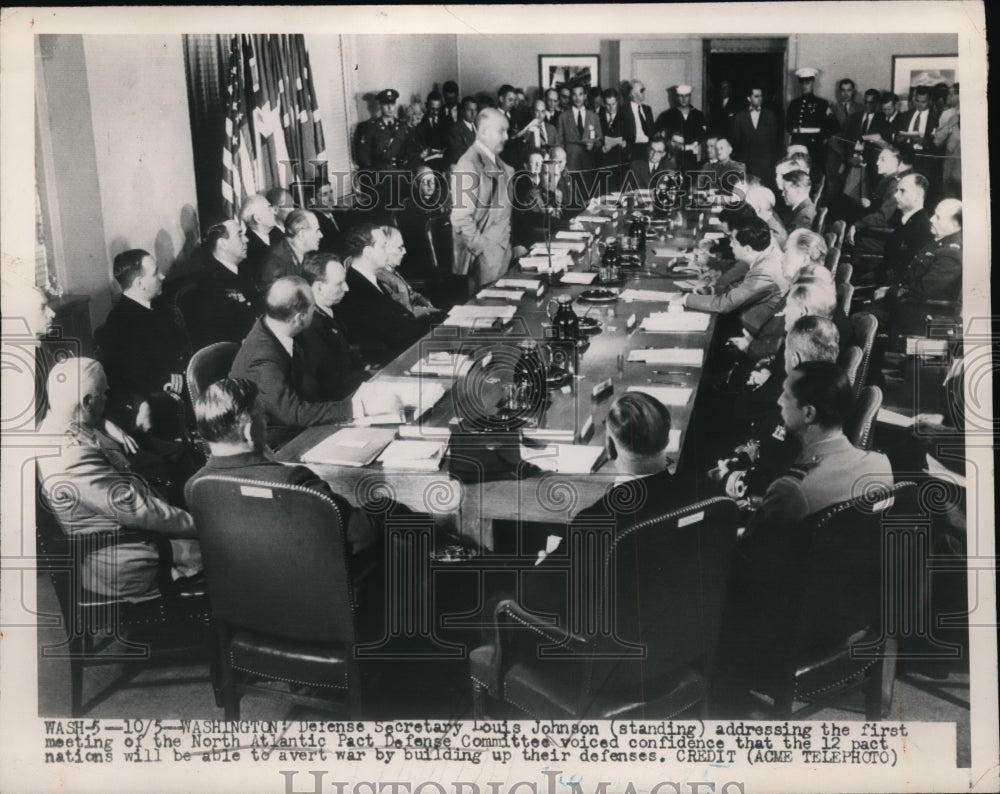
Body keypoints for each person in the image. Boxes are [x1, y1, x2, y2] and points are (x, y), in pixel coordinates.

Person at [37, 358, 202, 602]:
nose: (108, 398)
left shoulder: (54, 426)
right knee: (235, 553)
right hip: (126, 560)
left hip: (123, 540)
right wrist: (204, 526)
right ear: (88, 402)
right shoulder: (72, 458)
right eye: (104, 394)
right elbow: (139, 510)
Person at [518, 392, 683, 623]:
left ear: (610, 447)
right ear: (667, 439)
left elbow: (531, 598)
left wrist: (542, 569)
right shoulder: (689, 494)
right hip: (664, 626)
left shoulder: (596, 520)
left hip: (598, 639)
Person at [184, 378, 382, 565]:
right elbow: (364, 536)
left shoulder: (195, 486)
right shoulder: (293, 481)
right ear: (250, 431)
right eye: (263, 418)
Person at [228, 275, 400, 448]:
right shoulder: (263, 358)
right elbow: (295, 413)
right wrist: (359, 407)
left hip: (300, 423)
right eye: (313, 307)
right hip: (280, 440)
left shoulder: (279, 328)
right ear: (299, 318)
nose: (316, 311)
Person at [744, 360, 891, 535]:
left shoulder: (790, 491)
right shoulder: (881, 465)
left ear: (808, 413)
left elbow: (749, 555)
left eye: (786, 395)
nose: (779, 400)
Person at [98, 249, 189, 438]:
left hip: (184, 383)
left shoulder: (160, 306)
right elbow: (122, 379)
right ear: (140, 283)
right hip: (160, 402)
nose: (163, 276)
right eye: (156, 273)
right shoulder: (118, 323)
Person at [336, 224, 432, 364]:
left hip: (408, 350)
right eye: (383, 247)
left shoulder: (372, 279)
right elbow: (391, 333)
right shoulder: (355, 287)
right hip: (394, 361)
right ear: (368, 252)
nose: (387, 252)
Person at [678, 216, 788, 336]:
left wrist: (686, 299)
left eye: (734, 241)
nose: (730, 244)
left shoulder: (765, 271)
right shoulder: (767, 256)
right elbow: (742, 288)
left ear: (747, 249)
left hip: (749, 331)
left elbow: (725, 304)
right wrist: (712, 289)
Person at [450, 108, 515, 291]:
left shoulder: (497, 161)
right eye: (501, 131)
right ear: (485, 131)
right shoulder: (468, 164)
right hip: (484, 259)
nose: (506, 137)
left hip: (503, 253)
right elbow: (460, 219)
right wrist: (483, 249)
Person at [298, 251, 368, 401]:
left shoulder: (333, 311)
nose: (347, 288)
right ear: (318, 288)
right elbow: (329, 384)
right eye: (339, 284)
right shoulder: (310, 327)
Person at [183, 219, 259, 349]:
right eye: (239, 235)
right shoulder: (207, 284)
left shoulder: (245, 269)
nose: (246, 239)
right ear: (223, 244)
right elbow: (216, 337)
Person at [893, 198, 962, 335]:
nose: (931, 219)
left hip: (919, 315)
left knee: (861, 318)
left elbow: (925, 291)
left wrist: (891, 292)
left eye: (938, 217)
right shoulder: (939, 243)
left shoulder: (952, 253)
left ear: (954, 225)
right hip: (908, 305)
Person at [376, 225, 440, 318]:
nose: (405, 251)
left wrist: (424, 301)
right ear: (384, 250)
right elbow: (404, 311)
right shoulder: (381, 278)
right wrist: (433, 311)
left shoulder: (391, 271)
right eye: (399, 247)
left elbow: (411, 294)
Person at [785, 67, 838, 176]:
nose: (804, 86)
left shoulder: (821, 103)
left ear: (813, 82)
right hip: (796, 145)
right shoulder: (794, 104)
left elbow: (834, 126)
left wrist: (822, 138)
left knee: (813, 175)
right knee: (795, 174)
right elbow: (788, 127)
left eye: (807, 82)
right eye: (802, 83)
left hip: (814, 147)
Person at [257, 208, 324, 290]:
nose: (321, 235)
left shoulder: (306, 255)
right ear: (302, 234)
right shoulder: (275, 263)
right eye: (317, 231)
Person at [731, 86, 782, 188]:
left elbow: (774, 141)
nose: (760, 99)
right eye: (756, 96)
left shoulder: (770, 116)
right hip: (746, 166)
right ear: (749, 98)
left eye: (761, 96)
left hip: (765, 166)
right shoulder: (740, 117)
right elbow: (736, 142)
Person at [655, 84, 708, 174]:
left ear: (690, 97)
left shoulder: (698, 115)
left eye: (686, 96)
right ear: (676, 97)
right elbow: (659, 134)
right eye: (681, 96)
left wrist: (694, 143)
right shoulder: (667, 115)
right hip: (672, 158)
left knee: (688, 180)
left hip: (690, 159)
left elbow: (703, 135)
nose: (684, 99)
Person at [556, 81, 602, 175]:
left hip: (589, 163)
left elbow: (600, 140)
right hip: (570, 162)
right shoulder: (563, 117)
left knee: (588, 188)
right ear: (571, 97)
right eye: (574, 95)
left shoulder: (594, 116)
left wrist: (593, 145)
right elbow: (559, 142)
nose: (577, 98)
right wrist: (562, 163)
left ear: (585, 96)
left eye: (580, 94)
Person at [239, 194, 284, 287]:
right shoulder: (248, 248)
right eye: (269, 209)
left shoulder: (277, 233)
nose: (275, 212)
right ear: (257, 219)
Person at [932, 83, 961, 198]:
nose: (947, 97)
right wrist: (949, 125)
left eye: (951, 94)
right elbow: (937, 141)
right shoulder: (947, 114)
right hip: (950, 170)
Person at [745, 185, 788, 250]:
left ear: (759, 209)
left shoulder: (773, 235)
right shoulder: (770, 217)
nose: (747, 213)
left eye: (749, 208)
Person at [621, 79, 654, 162]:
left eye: (644, 90)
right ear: (632, 93)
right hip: (633, 149)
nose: (644, 93)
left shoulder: (647, 109)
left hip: (649, 147)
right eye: (641, 90)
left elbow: (652, 131)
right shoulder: (623, 110)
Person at [447, 96, 478, 165]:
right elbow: (457, 155)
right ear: (462, 111)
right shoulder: (456, 129)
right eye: (469, 110)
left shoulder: (477, 126)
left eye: (475, 110)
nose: (473, 113)